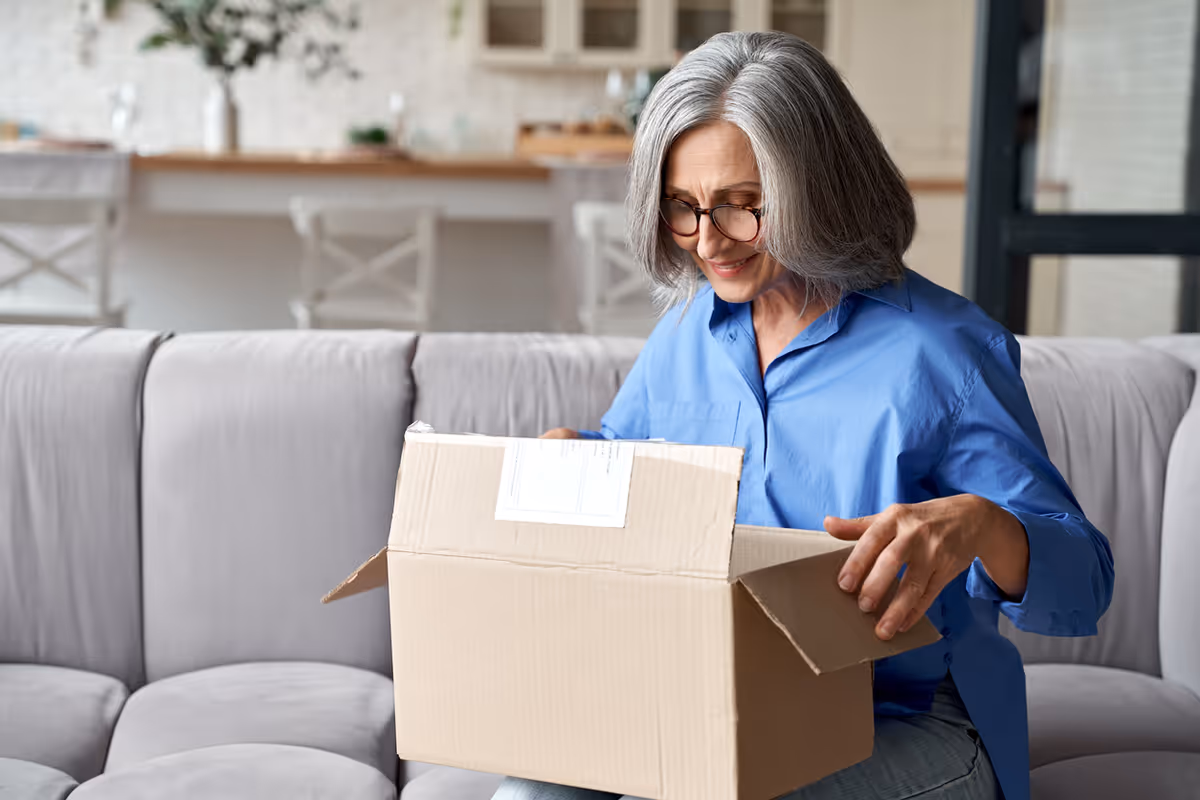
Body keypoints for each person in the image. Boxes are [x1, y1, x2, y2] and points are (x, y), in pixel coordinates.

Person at [498, 31, 1113, 800]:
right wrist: (577, 459)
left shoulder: (944, 352)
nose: (709, 242)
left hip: (909, 719)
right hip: (722, 699)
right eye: (683, 210)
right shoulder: (689, 332)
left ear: (819, 187)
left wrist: (983, 525)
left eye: (742, 207)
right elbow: (632, 463)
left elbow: (1085, 585)